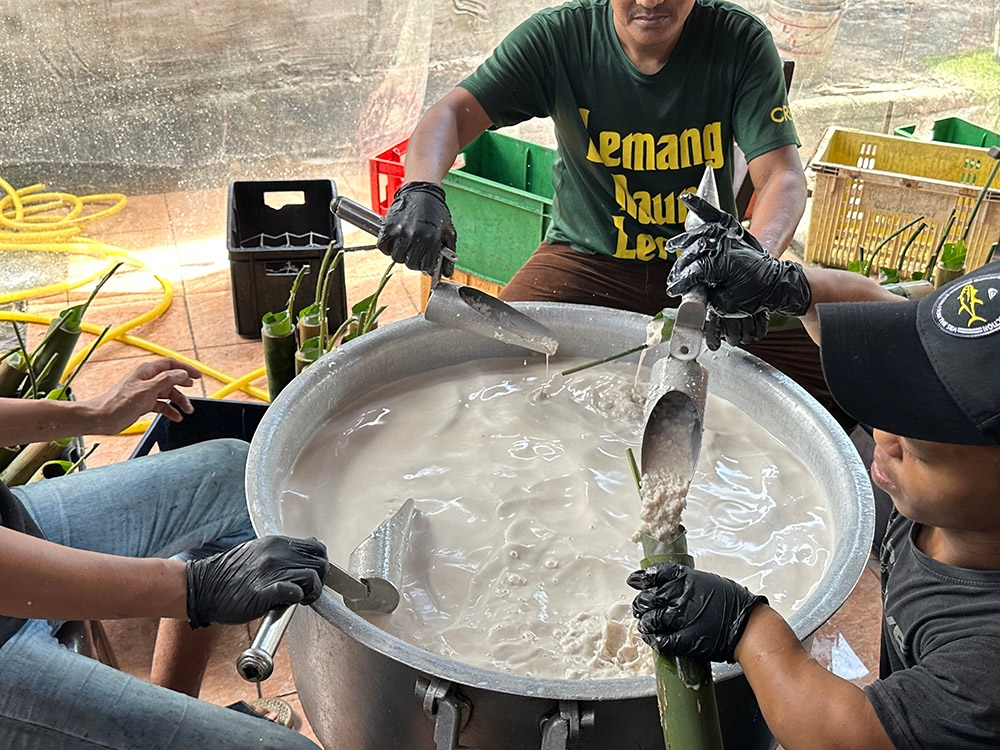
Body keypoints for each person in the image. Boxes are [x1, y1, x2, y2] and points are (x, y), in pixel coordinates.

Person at [374, 0, 853, 425]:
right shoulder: (560, 37)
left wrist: (755, 262)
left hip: (708, 266)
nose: (651, 1)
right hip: (585, 259)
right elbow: (453, 114)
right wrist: (420, 187)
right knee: (490, 366)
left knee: (846, 371)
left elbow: (781, 176)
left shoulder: (739, 41)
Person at [628, 216, 1000, 748]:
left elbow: (842, 733)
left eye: (918, 447)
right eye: (896, 398)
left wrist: (747, 628)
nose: (882, 432)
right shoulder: (956, 490)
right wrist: (787, 287)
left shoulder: (986, 665)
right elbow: (883, 316)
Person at [0, 357, 328, 750]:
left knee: (232, 477)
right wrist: (197, 588)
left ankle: (177, 701)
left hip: (13, 525)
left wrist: (96, 413)